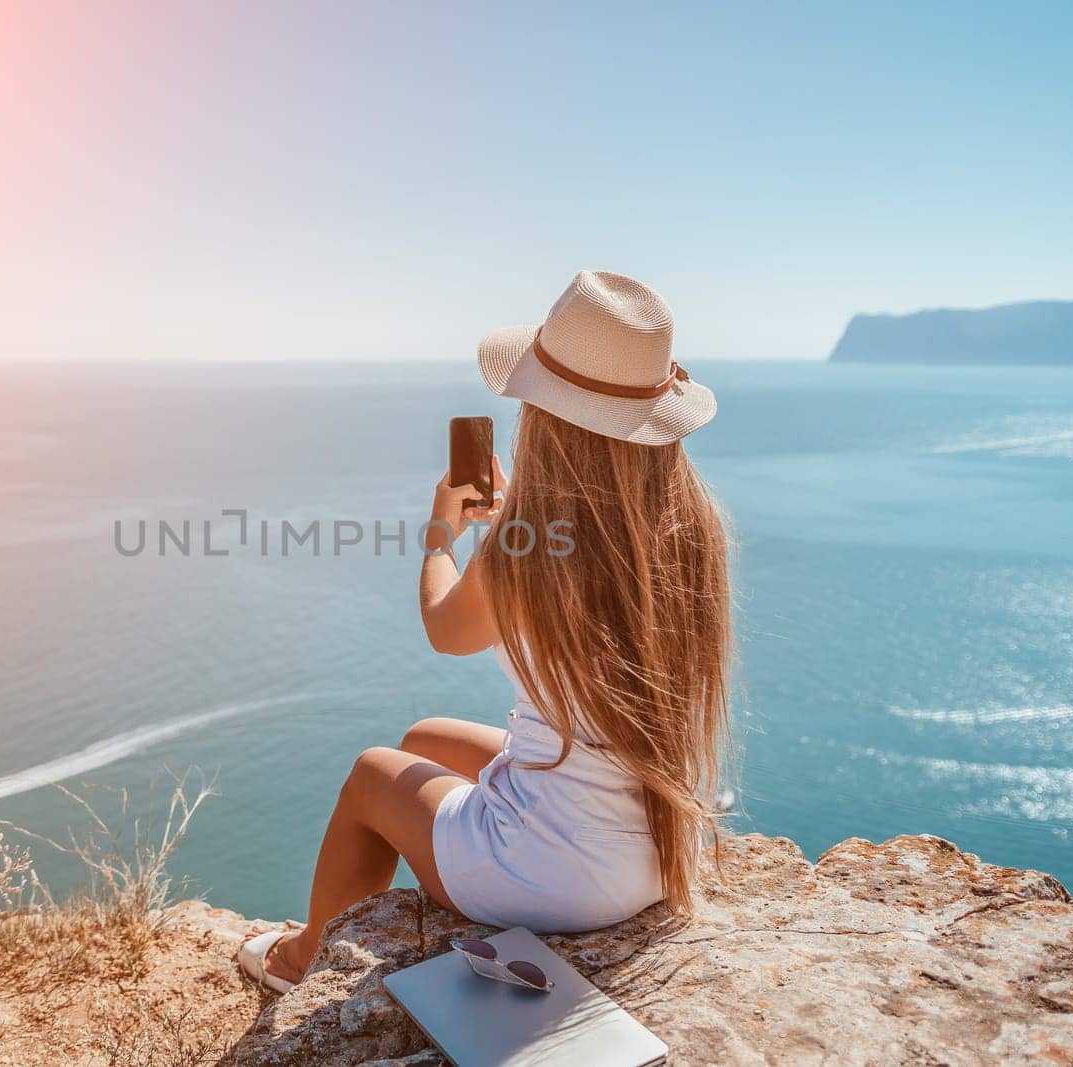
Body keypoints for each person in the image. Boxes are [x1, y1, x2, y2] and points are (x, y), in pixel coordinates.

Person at [240, 270, 732, 993]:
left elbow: (448, 626)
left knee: (372, 776)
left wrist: (443, 537)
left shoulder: (526, 549)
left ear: (547, 417)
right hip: (657, 852)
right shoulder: (692, 529)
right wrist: (506, 533)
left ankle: (300, 957)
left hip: (555, 878)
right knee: (424, 739)